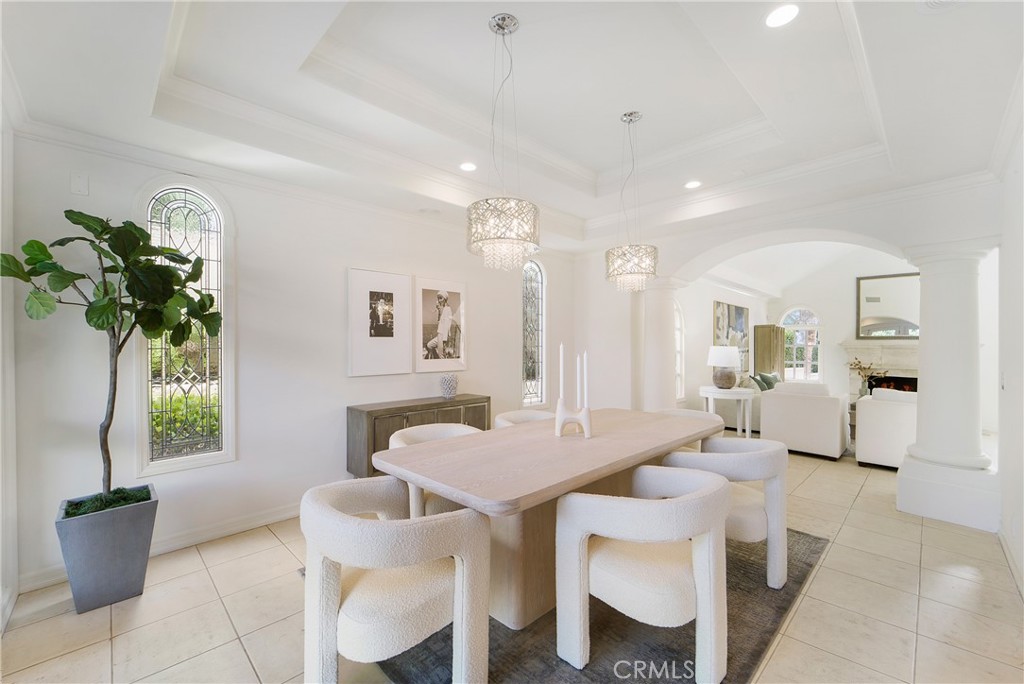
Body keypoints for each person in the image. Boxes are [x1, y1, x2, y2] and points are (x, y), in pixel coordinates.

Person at [425, 290, 453, 359]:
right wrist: (439, 311)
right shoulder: (442, 309)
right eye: (438, 298)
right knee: (429, 345)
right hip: (439, 334)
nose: (439, 300)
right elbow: (439, 321)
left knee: (441, 355)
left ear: (445, 299)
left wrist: (444, 340)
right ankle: (436, 358)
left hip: (443, 335)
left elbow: (447, 325)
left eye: (440, 298)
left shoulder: (447, 310)